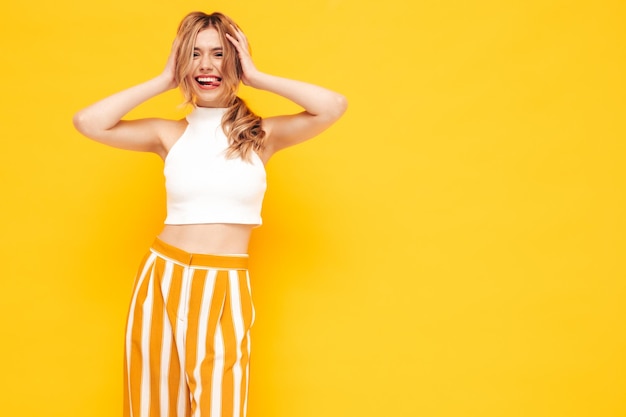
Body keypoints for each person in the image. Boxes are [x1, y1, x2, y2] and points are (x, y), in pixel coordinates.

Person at [73, 10, 347, 417]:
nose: (206, 65)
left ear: (234, 61)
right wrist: (163, 79)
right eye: (195, 54)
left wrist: (255, 76)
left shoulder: (261, 135)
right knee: (154, 408)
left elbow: (332, 106)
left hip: (224, 283)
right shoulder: (168, 135)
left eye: (219, 54)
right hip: (162, 279)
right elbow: (87, 122)